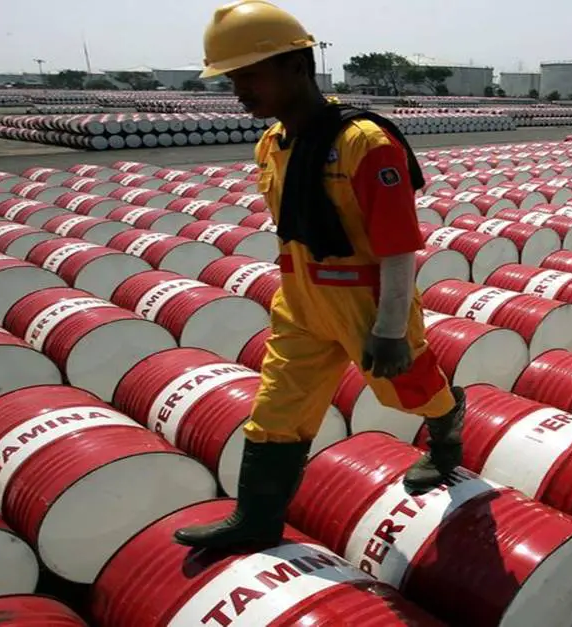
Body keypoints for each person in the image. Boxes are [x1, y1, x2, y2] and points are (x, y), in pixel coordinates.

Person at [174, 0, 466, 550]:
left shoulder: (364, 143)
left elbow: (399, 247)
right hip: (301, 302)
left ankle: (448, 429)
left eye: (249, 75)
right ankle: (256, 520)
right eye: (231, 79)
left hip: (366, 304)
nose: (239, 91)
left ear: (297, 65)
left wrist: (389, 328)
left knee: (410, 394)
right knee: (277, 409)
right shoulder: (272, 145)